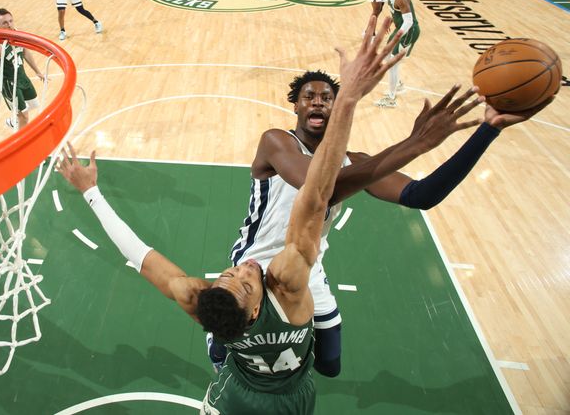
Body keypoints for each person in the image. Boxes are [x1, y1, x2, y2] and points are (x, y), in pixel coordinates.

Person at [58, 15, 405, 414]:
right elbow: (315, 197)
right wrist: (358, 108)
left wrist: (91, 194)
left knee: (235, 357)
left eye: (228, 274)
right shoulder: (289, 282)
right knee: (324, 360)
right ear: (256, 308)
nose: (242, 267)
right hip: (289, 398)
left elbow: (139, 255)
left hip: (233, 395)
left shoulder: (209, 302)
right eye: (241, 279)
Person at [211, 52, 553, 379]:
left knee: (330, 364)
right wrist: (414, 143)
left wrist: (488, 129)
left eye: (327, 97)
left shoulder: (356, 163)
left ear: (335, 108)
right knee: (226, 352)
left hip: (308, 267)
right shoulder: (276, 142)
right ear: (295, 106)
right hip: (254, 265)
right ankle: (224, 365)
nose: (317, 101)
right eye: (309, 96)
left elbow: (423, 195)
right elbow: (318, 187)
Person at [0, 8, 45, 130]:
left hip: (22, 77)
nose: (9, 25)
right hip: (9, 83)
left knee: (32, 105)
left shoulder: (17, 34)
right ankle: (20, 143)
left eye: (11, 21)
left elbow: (25, 52)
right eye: (5, 23)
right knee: (24, 116)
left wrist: (37, 71)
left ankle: (13, 120)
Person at [375, 0, 419, 108]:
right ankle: (398, 84)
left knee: (393, 62)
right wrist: (391, 23)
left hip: (408, 31)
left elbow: (409, 21)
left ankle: (391, 99)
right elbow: (398, 15)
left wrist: (398, 35)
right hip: (400, 29)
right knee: (387, 56)